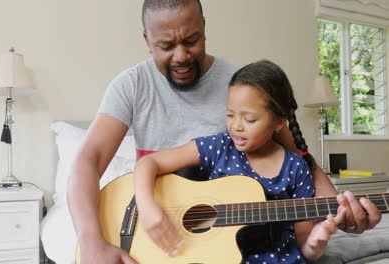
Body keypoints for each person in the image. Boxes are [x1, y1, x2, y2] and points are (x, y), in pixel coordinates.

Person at [67, 1, 381, 263]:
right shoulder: (130, 85)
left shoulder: (237, 83)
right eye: (166, 45)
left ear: (204, 26)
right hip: (151, 222)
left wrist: (333, 204)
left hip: (229, 237)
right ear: (147, 41)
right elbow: (88, 161)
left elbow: (294, 152)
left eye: (191, 40)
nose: (181, 55)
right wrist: (91, 239)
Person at [134, 59, 343, 263]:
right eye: (230, 115)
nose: (236, 126)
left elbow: (304, 247)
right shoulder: (219, 147)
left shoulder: (296, 168)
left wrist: (316, 243)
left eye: (249, 119)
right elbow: (148, 163)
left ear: (279, 122)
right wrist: (147, 206)